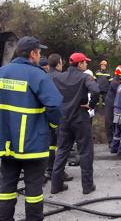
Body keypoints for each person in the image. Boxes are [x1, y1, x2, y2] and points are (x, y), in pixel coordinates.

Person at [0, 36, 63, 221]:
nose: (40, 55)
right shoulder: (37, 75)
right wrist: (52, 125)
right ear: (33, 53)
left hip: (6, 144)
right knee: (34, 188)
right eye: (39, 52)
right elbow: (55, 105)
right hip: (32, 144)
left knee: (6, 186)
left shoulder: (2, 72)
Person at [51, 52, 100, 195]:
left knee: (62, 151)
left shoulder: (59, 77)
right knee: (85, 152)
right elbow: (96, 90)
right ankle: (87, 186)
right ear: (79, 64)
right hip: (80, 119)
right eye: (85, 62)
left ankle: (56, 185)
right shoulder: (85, 77)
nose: (86, 64)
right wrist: (91, 105)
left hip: (64, 119)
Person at [44, 53, 73, 182]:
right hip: (58, 115)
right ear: (58, 64)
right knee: (61, 146)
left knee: (49, 144)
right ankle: (58, 172)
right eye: (61, 62)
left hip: (44, 116)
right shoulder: (61, 77)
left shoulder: (43, 76)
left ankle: (49, 170)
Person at [105, 65, 121, 147]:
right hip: (110, 104)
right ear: (118, 75)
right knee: (110, 122)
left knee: (116, 123)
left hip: (117, 104)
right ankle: (110, 141)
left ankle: (116, 141)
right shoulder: (115, 82)